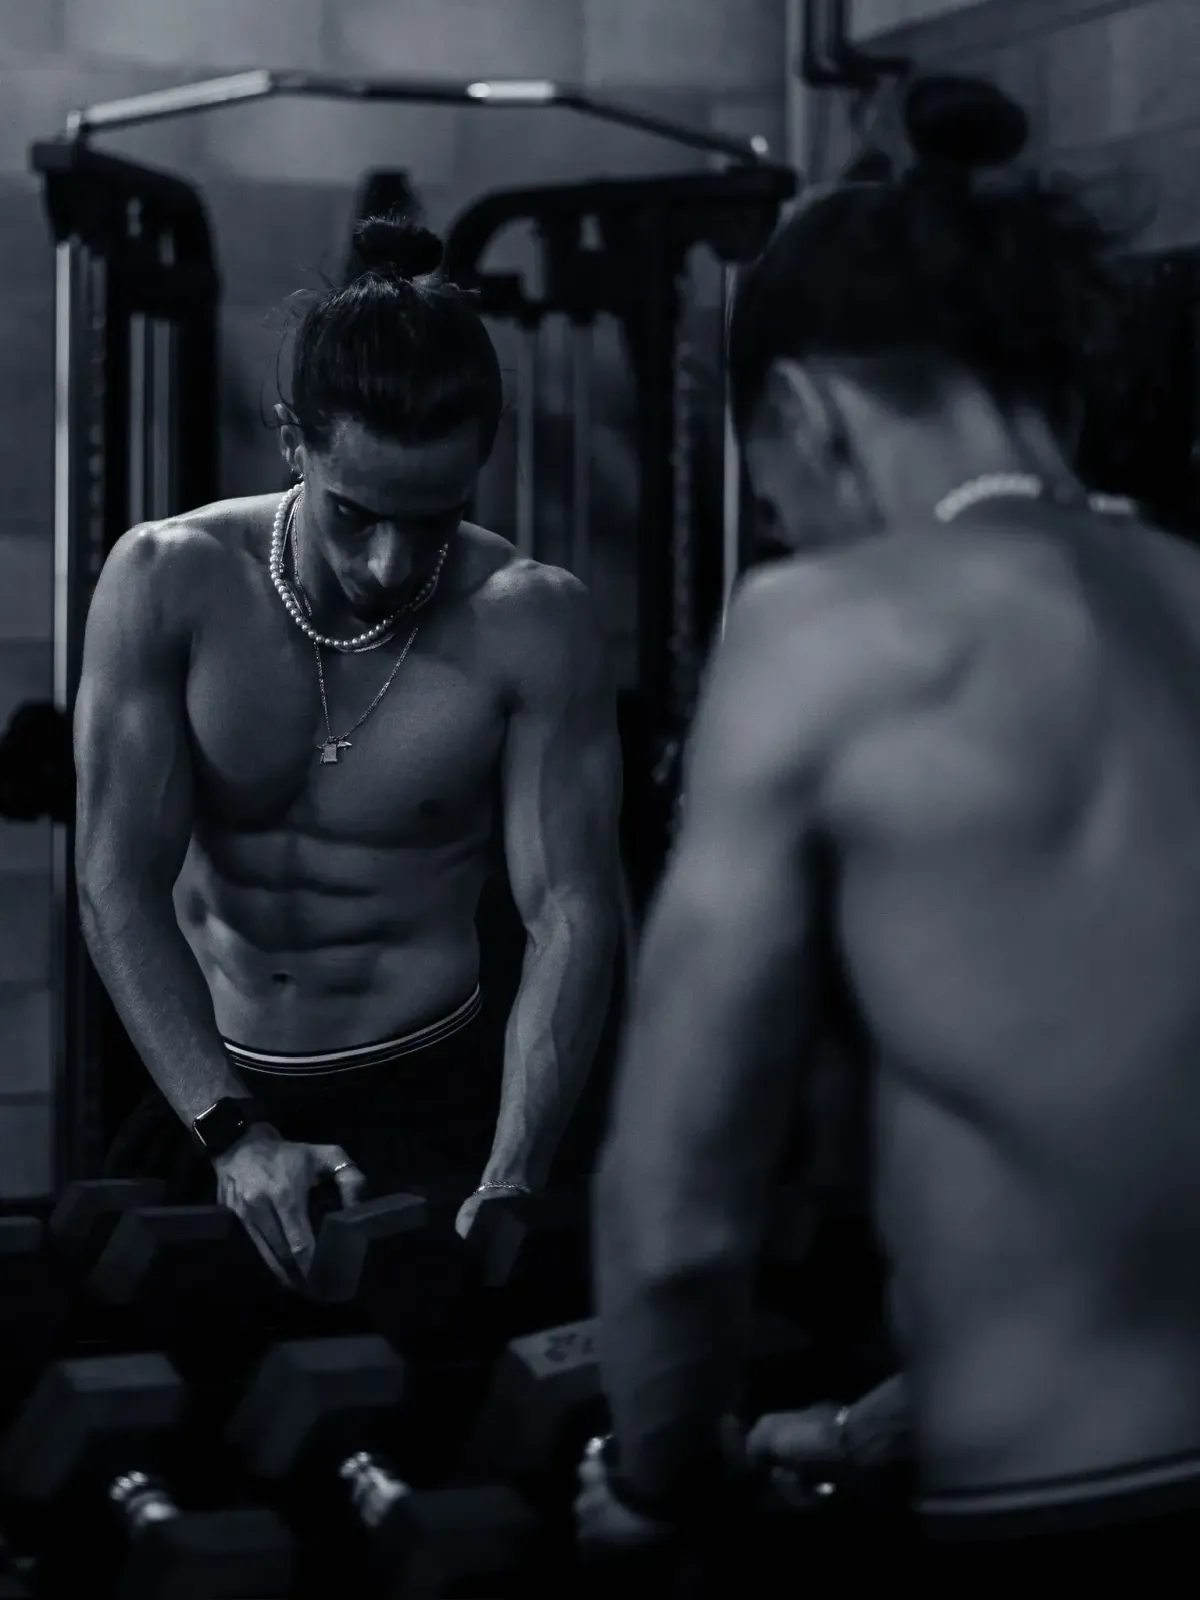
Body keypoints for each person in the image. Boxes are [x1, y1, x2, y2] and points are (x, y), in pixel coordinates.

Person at [575, 88, 1200, 1580]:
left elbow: (680, 1207)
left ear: (807, 415)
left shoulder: (823, 634)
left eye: (777, 504)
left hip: (1048, 1517)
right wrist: (862, 1434)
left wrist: (662, 1488)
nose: (790, 537)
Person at [75, 216, 624, 1289]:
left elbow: (571, 911)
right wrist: (233, 1133)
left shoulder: (533, 621)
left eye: (433, 520)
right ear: (294, 440)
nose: (388, 562)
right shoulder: (167, 580)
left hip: (435, 1103)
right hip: (211, 1093)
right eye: (356, 514)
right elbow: (114, 881)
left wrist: (513, 1173)